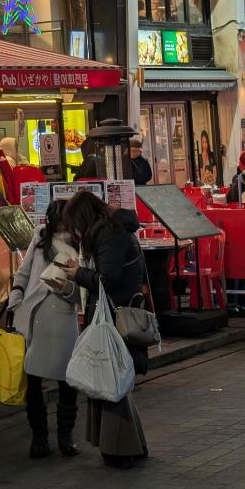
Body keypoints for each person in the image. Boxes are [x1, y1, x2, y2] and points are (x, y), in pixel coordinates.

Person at [59, 189, 150, 469]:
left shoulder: (108, 234)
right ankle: (125, 445)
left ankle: (121, 449)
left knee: (110, 380)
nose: (74, 232)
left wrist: (78, 274)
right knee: (113, 379)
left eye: (75, 224)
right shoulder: (112, 229)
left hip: (115, 314)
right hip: (117, 311)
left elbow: (108, 279)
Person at [5, 200, 80, 458]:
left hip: (62, 319)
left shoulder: (80, 246)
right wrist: (15, 299)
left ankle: (65, 435)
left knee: (67, 379)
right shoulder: (39, 237)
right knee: (33, 380)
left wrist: (67, 289)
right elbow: (24, 272)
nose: (60, 226)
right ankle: (39, 436)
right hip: (32, 315)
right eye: (57, 221)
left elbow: (82, 289)